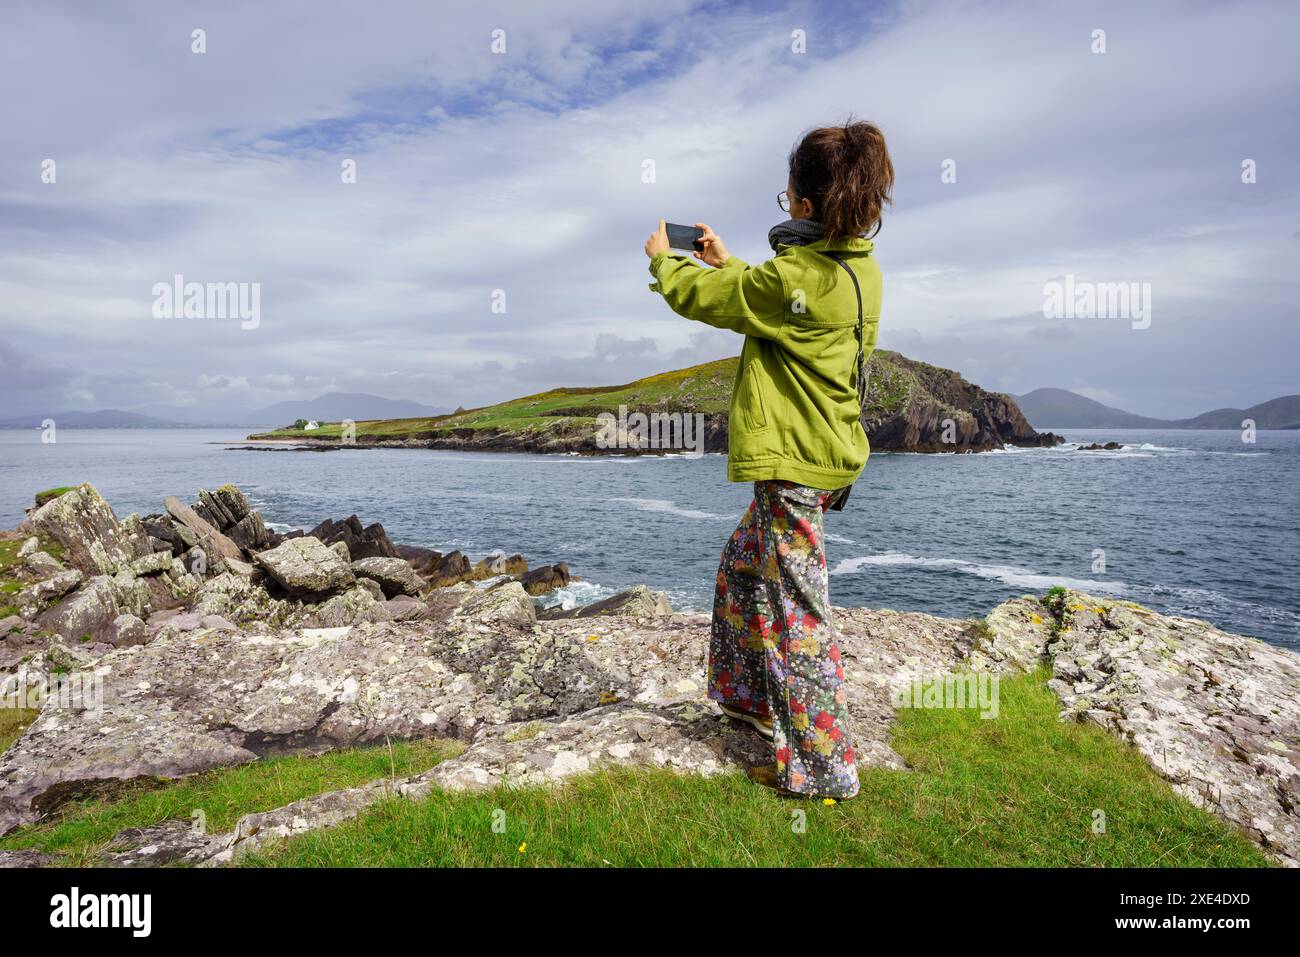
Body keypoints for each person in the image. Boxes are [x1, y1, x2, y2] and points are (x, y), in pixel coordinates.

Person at [643, 120, 894, 799]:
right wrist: (728, 261)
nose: (784, 209)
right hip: (826, 451)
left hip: (794, 466)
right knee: (742, 567)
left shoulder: (796, 277)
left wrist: (668, 260)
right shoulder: (855, 269)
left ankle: (823, 770)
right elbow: (776, 290)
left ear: (808, 208)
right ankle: (747, 698)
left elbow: (714, 299)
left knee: (798, 616)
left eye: (787, 201)